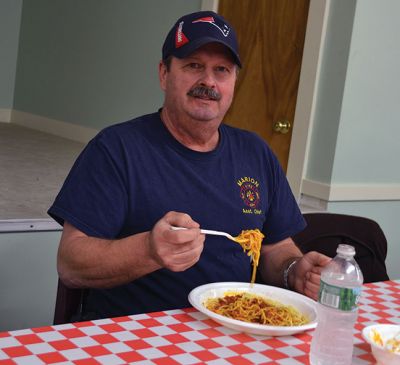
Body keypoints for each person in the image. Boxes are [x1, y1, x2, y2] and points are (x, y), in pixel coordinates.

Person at [48, 10, 331, 320]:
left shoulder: (256, 152)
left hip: (236, 330)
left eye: (221, 69)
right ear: (164, 74)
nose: (208, 81)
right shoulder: (117, 149)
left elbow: (276, 247)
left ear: (234, 82)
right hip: (136, 335)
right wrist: (149, 250)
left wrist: (294, 271)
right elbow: (71, 264)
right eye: (194, 65)